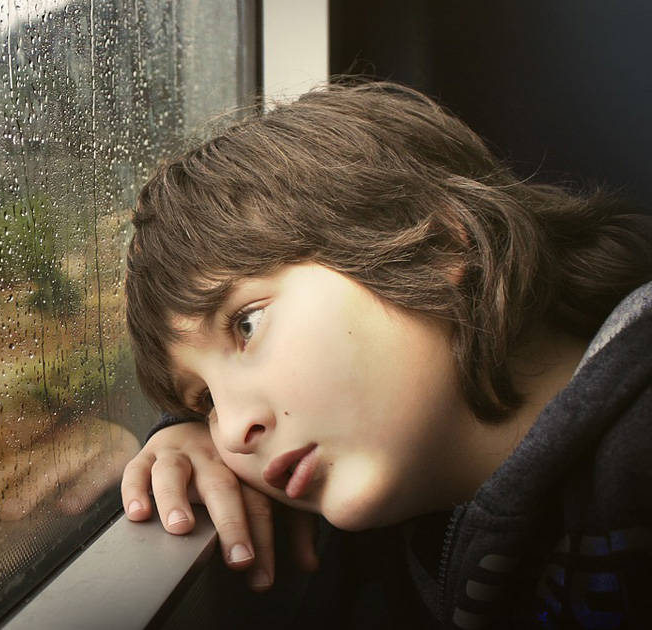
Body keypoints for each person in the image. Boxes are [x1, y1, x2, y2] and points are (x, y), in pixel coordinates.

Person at [120, 80, 652, 627]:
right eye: (205, 397)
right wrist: (179, 434)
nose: (230, 431)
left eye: (247, 324)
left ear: (436, 241)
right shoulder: (397, 504)